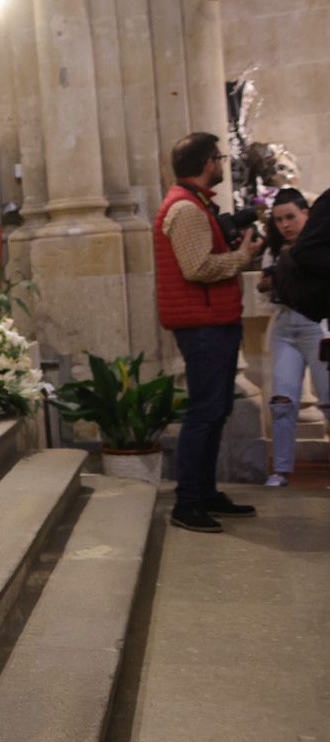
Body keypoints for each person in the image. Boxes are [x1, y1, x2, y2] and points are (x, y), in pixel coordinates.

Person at [152, 132, 265, 533]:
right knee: (204, 412)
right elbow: (196, 268)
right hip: (202, 326)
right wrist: (243, 256)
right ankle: (187, 503)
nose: (221, 164)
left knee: (216, 410)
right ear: (207, 163)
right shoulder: (185, 209)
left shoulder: (196, 205)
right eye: (218, 158)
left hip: (212, 322)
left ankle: (204, 492)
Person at [259, 188, 328, 487]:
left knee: (328, 398)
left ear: (307, 215)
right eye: (278, 220)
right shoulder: (272, 252)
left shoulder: (319, 246)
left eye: (291, 217)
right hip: (285, 325)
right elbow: (266, 295)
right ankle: (281, 469)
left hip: (317, 324)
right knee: (282, 400)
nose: (285, 225)